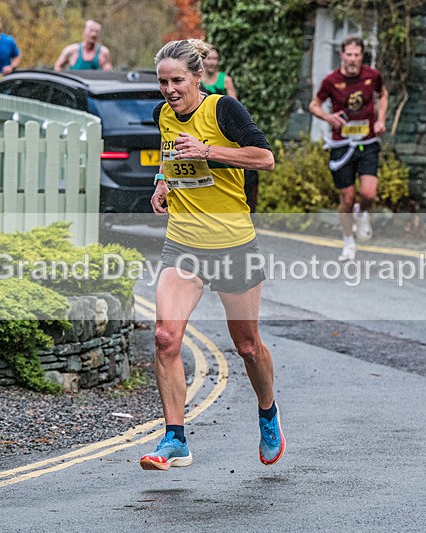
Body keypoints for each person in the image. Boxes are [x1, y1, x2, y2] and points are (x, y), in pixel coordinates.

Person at [139, 39, 284, 471]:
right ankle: (175, 439)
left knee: (246, 346)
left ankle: (268, 413)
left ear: (197, 77)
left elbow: (265, 158)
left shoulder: (224, 110)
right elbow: (171, 154)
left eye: (177, 80)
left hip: (232, 243)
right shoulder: (162, 115)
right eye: (162, 81)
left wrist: (209, 151)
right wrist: (162, 181)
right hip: (182, 242)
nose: (169, 89)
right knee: (166, 338)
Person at [309, 35, 388, 261]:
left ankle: (362, 213)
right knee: (347, 198)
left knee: (368, 193)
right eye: (349, 54)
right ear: (342, 55)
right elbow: (313, 105)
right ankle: (348, 242)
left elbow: (383, 94)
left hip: (367, 141)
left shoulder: (372, 76)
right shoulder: (331, 80)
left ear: (361, 56)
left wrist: (380, 119)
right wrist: (328, 117)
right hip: (341, 145)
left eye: (357, 54)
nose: (353, 59)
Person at [200, 46, 261, 212]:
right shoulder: (197, 81)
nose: (211, 62)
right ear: (202, 60)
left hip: (221, 126)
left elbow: (234, 105)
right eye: (208, 58)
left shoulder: (225, 80)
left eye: (215, 59)